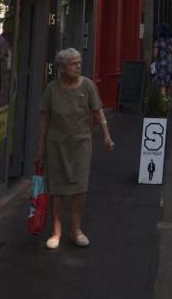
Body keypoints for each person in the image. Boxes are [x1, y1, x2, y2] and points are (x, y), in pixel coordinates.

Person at [35, 48, 114, 250]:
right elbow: (44, 118)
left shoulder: (87, 86)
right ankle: (56, 231)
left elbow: (98, 112)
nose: (78, 66)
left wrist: (106, 134)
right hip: (56, 145)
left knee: (80, 189)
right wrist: (40, 146)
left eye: (79, 62)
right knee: (57, 190)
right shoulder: (52, 89)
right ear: (61, 68)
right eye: (73, 63)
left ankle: (76, 230)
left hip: (81, 144)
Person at [150, 24, 172, 101]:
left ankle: (163, 104)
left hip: (161, 66)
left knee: (162, 85)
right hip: (170, 65)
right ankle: (168, 102)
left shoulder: (158, 41)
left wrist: (155, 59)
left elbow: (155, 55)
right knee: (170, 84)